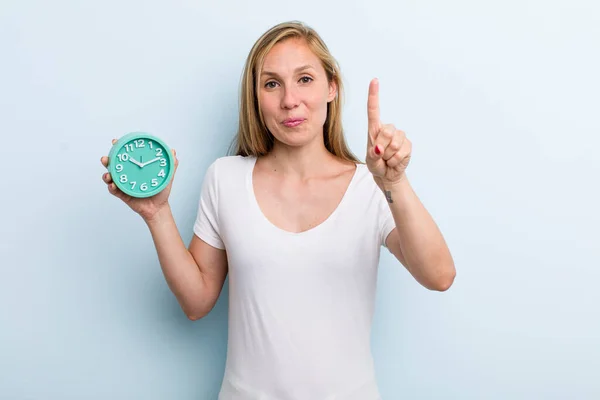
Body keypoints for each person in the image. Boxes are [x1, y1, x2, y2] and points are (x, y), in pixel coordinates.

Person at [100, 20, 455, 400]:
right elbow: (197, 301)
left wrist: (394, 183)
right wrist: (157, 213)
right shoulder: (225, 178)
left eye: (305, 79)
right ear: (256, 97)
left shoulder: (371, 186)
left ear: (331, 87)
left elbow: (439, 276)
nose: (289, 100)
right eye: (272, 83)